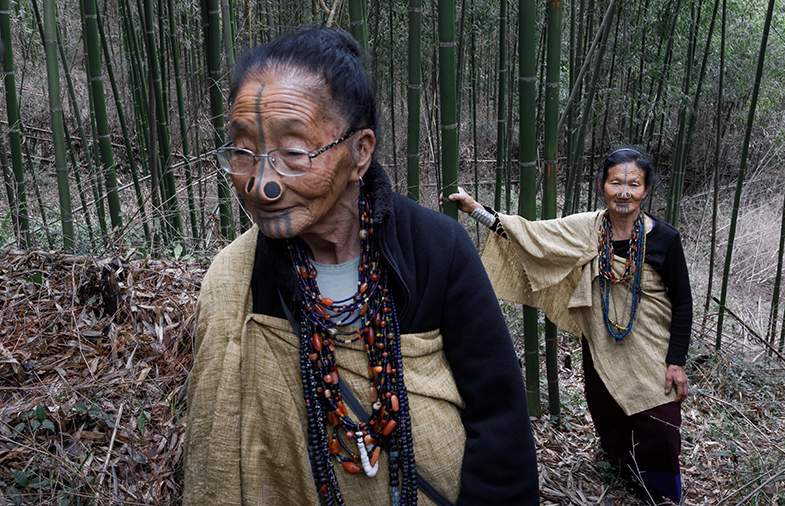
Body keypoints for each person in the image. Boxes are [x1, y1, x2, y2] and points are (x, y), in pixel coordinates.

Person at [183, 27, 538, 506]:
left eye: (293, 152)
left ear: (360, 151)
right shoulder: (237, 280)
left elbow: (499, 420)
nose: (260, 183)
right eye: (243, 152)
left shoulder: (437, 249)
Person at [449, 146, 691, 504]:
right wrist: (478, 212)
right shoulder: (587, 229)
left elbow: (683, 303)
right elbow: (533, 236)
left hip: (651, 351)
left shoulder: (665, 239)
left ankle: (666, 495)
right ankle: (627, 476)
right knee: (610, 416)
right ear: (602, 186)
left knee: (660, 424)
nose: (624, 192)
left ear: (646, 190)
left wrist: (676, 361)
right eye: (616, 183)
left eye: (634, 184)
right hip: (601, 346)